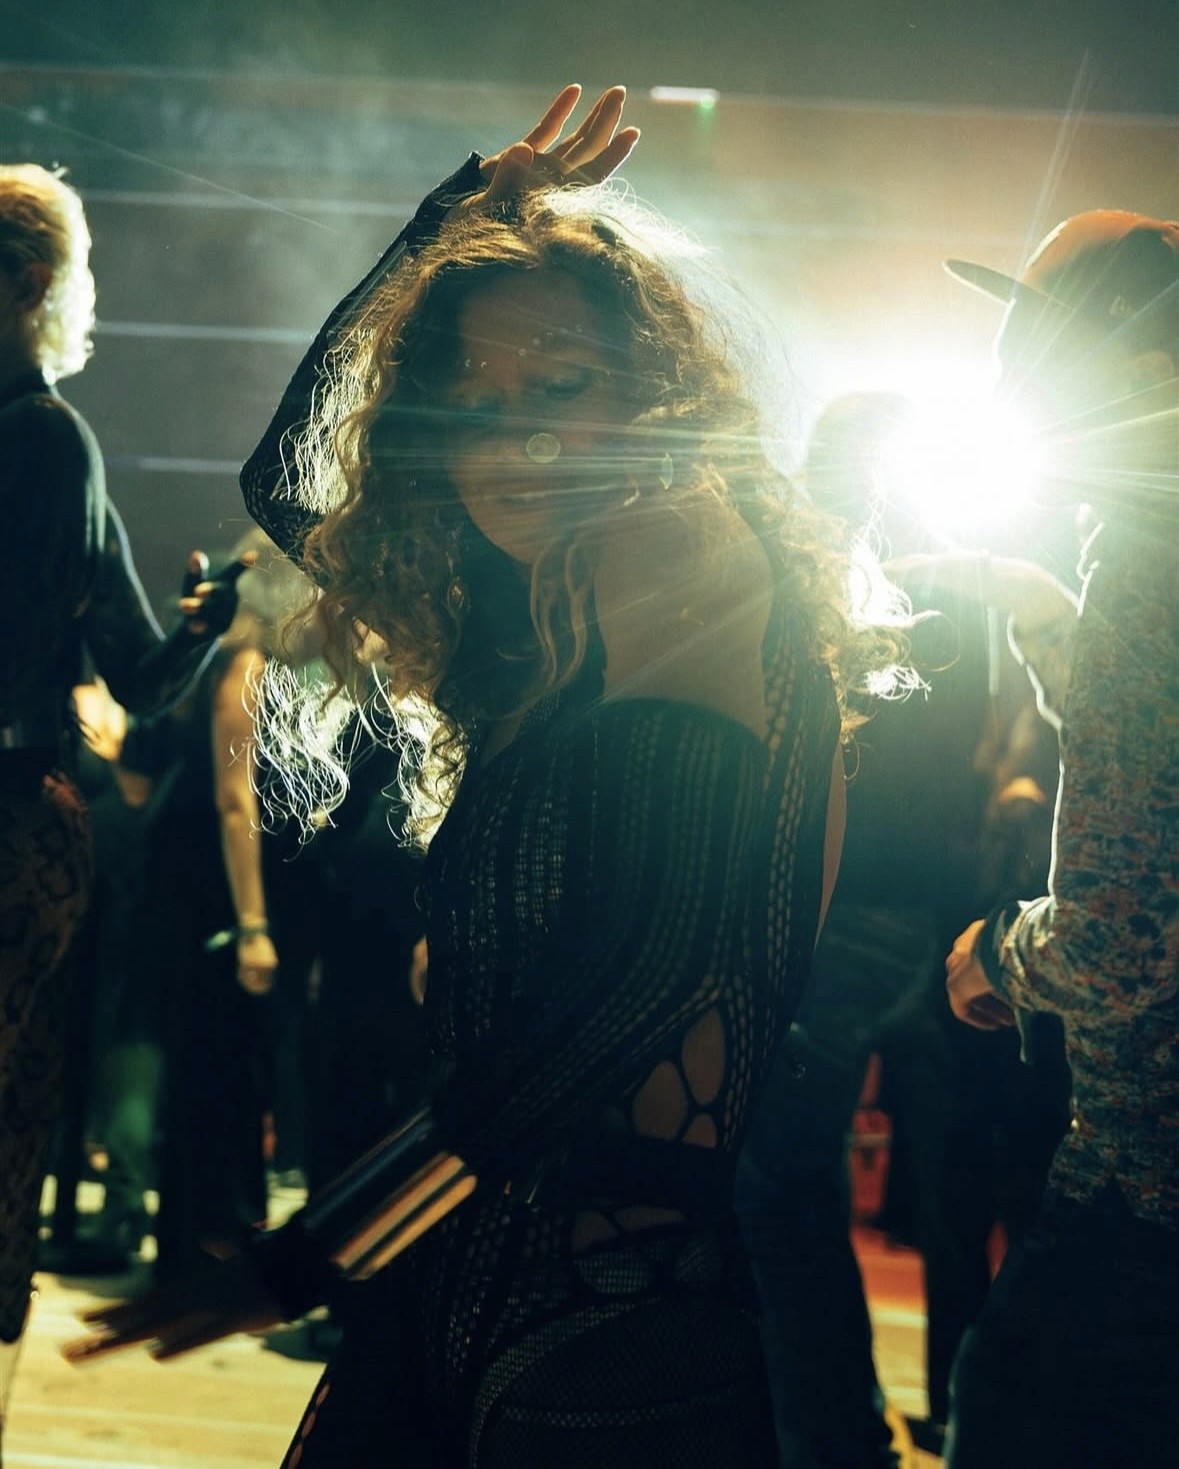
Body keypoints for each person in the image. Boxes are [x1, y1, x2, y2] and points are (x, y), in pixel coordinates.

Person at [66, 86, 907, 1467]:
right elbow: (287, 485)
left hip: (607, 1335)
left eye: (561, 391)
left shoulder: (678, 553)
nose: (517, 443)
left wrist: (309, 1255)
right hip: (485, 1291)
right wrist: (451, 221)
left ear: (654, 400)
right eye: (469, 406)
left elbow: (621, 995)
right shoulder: (538, 632)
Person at [0, 162, 245, 1455]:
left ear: (25, 280)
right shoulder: (51, 439)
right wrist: (202, 625)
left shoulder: (42, 440)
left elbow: (133, 679)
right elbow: (144, 671)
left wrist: (206, 629)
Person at [939, 211, 1179, 1467]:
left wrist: (994, 951)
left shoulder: (1149, 550)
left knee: (1015, 1403)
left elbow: (1121, 936)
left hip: (1149, 1188)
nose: (1010, 391)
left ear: (1145, 373)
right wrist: (1050, 626)